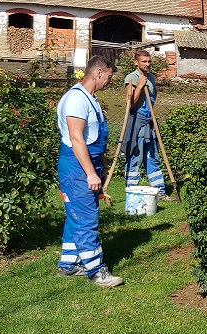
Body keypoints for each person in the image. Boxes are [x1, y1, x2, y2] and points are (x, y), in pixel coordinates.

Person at [57, 55, 123, 287]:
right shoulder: (76, 100)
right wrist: (90, 173)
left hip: (89, 163)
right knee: (86, 218)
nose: (110, 81)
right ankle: (97, 271)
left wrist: (102, 163)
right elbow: (76, 139)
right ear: (98, 73)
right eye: (109, 76)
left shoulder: (90, 99)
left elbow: (92, 137)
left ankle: (68, 265)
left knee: (76, 215)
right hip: (75, 167)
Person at [123, 50, 168, 199]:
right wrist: (140, 86)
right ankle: (131, 191)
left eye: (149, 61)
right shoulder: (131, 78)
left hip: (150, 121)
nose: (147, 64)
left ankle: (160, 191)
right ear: (136, 62)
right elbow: (130, 104)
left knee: (152, 156)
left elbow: (154, 96)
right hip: (137, 121)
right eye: (144, 61)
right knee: (136, 156)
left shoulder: (151, 77)